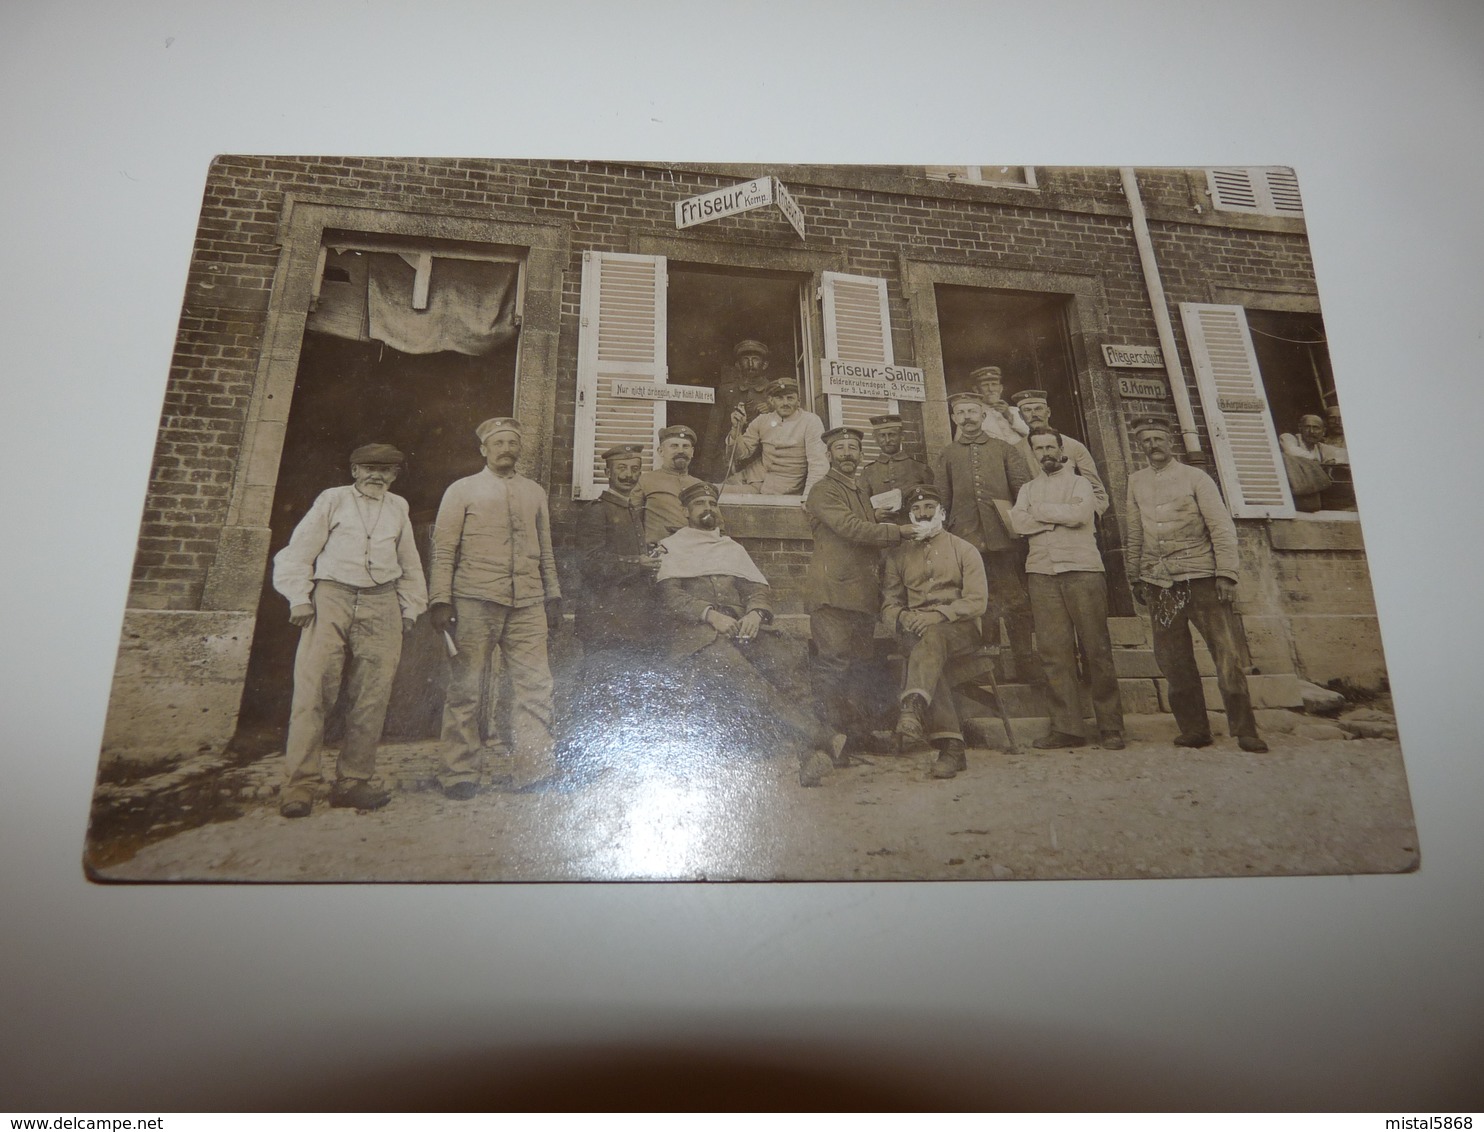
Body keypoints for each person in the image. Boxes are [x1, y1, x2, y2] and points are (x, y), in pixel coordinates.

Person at [271, 442, 428, 818]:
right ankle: (300, 785)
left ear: (395, 475)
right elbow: (298, 551)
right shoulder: (333, 500)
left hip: (382, 600)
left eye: (386, 470)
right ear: (354, 470)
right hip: (332, 596)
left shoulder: (398, 507)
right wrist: (299, 598)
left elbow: (410, 562)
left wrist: (409, 608)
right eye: (369, 468)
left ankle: (353, 781)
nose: (377, 476)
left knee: (372, 694)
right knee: (314, 690)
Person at [656, 481, 843, 786]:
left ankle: (809, 757)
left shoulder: (731, 548)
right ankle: (822, 736)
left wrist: (755, 614)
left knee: (787, 662)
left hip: (740, 629)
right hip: (698, 637)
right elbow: (671, 598)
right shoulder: (671, 547)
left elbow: (757, 590)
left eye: (712, 504)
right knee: (745, 676)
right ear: (686, 511)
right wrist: (710, 614)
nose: (707, 510)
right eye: (700, 505)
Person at [429, 417, 563, 798]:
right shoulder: (462, 490)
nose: (506, 449)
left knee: (535, 686)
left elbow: (546, 550)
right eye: (498, 443)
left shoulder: (534, 492)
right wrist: (440, 599)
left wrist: (551, 594)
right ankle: (459, 773)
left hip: (528, 603)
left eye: (512, 443)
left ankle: (533, 770)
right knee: (466, 687)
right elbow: (443, 550)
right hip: (474, 599)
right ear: (484, 449)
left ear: (520, 449)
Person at [1125, 416, 1268, 753]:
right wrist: (1134, 574)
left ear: (1171, 441)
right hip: (1159, 583)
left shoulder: (1196, 478)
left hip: (1202, 579)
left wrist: (1226, 573)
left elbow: (1220, 526)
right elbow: (1134, 532)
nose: (1153, 445)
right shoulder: (1135, 482)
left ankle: (1245, 730)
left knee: (1225, 655)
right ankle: (1194, 729)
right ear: (1140, 446)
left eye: (1158, 438)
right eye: (1146, 441)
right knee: (1173, 659)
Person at [804, 426, 916, 770]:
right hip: (834, 593)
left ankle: (855, 737)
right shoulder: (823, 491)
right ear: (829, 455)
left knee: (859, 668)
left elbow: (862, 524)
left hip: (861, 595)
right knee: (833, 665)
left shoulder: (859, 492)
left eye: (853, 447)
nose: (848, 453)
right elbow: (850, 528)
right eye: (841, 448)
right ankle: (824, 742)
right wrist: (897, 531)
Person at [1010, 428, 1125, 750]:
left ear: (1062, 450)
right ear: (1032, 453)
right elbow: (1018, 524)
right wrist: (1054, 516)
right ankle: (1067, 727)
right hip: (1042, 572)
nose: (1045, 453)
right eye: (1039, 448)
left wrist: (1040, 514)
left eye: (1050, 447)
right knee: (1053, 652)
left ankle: (1111, 726)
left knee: (1096, 649)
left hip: (1083, 570)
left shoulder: (1080, 483)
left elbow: (1079, 515)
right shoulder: (1028, 488)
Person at [936, 390, 1046, 686]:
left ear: (983, 416)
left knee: (1015, 600)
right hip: (966, 541)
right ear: (954, 418)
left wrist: (1019, 528)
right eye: (961, 413)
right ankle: (990, 666)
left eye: (973, 411)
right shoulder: (947, 454)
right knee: (979, 602)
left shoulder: (1004, 449)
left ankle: (1025, 660)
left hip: (1003, 539)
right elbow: (942, 502)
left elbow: (1023, 491)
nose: (967, 417)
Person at [881, 485, 988, 780]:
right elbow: (889, 605)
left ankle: (913, 707)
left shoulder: (963, 549)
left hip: (960, 627)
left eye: (929, 507)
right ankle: (952, 749)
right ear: (910, 515)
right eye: (917, 509)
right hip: (916, 630)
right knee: (928, 650)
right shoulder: (898, 556)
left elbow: (978, 601)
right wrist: (903, 617)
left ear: (942, 512)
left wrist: (938, 614)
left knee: (934, 638)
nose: (923, 513)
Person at [723, 379, 828, 496]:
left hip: (781, 488)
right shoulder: (762, 420)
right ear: (771, 401)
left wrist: (809, 497)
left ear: (798, 401)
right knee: (712, 491)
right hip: (750, 476)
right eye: (779, 398)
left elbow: (818, 463)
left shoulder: (810, 421)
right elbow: (740, 454)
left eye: (790, 398)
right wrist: (736, 429)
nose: (785, 403)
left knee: (722, 496)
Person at [1009, 389, 1109, 511]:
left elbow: (1097, 491)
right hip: (1039, 521)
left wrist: (1085, 517)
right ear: (1020, 416)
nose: (1034, 414)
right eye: (1027, 410)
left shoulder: (1073, 446)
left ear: (1048, 412)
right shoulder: (1015, 451)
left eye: (1038, 408)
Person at [698, 339, 775, 481]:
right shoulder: (726, 391)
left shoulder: (774, 393)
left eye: (755, 359)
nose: (750, 364)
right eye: (746, 359)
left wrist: (772, 410)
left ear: (765, 365)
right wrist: (706, 467)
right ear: (738, 365)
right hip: (728, 457)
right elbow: (713, 431)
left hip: (763, 460)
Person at [632, 424, 703, 546]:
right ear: (661, 451)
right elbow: (632, 521)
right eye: (674, 446)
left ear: (692, 452)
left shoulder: (700, 485)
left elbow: (716, 527)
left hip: (695, 551)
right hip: (661, 552)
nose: (681, 451)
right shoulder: (645, 481)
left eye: (685, 446)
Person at [859, 413, 934, 516]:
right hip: (882, 529)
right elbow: (861, 507)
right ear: (875, 438)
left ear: (901, 436)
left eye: (892, 435)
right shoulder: (868, 472)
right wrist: (875, 514)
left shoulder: (920, 468)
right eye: (882, 435)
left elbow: (934, 503)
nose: (887, 440)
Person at [969, 365, 1031, 446]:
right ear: (976, 390)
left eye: (994, 384)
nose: (991, 389)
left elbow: (1031, 434)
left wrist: (1009, 417)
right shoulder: (973, 415)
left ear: (1001, 388)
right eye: (985, 385)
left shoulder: (1015, 411)